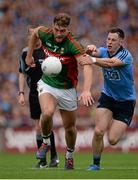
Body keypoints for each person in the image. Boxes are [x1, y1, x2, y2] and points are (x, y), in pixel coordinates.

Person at [25, 13, 94, 170]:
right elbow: (35, 33)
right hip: (47, 84)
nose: (59, 34)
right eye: (56, 29)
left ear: (67, 30)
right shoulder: (45, 32)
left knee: (69, 128)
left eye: (62, 31)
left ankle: (69, 156)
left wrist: (86, 90)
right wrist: (29, 55)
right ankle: (46, 143)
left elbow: (87, 65)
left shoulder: (73, 44)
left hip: (67, 89)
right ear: (53, 26)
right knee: (47, 113)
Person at [80, 27, 136, 170]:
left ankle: (119, 127)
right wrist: (90, 48)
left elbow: (111, 63)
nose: (109, 42)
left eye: (113, 40)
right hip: (108, 97)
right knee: (98, 131)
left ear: (120, 41)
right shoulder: (104, 51)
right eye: (108, 39)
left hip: (126, 102)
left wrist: (92, 59)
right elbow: (93, 52)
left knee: (112, 140)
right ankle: (95, 164)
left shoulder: (126, 55)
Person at [18, 27, 59, 168]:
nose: (32, 38)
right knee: (37, 127)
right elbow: (22, 73)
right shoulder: (25, 53)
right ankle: (43, 160)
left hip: (48, 92)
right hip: (34, 93)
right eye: (30, 36)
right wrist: (21, 93)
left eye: (34, 36)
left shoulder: (48, 50)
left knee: (45, 124)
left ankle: (54, 156)